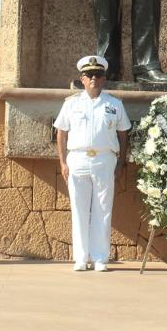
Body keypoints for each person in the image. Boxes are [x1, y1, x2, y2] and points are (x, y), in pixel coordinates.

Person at [53, 55, 131, 272]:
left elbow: (124, 134)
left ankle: (99, 258)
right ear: (82, 79)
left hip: (105, 160)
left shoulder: (114, 104)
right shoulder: (71, 104)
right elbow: (61, 133)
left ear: (104, 79)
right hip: (77, 158)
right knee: (79, 209)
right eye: (89, 75)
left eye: (98, 74)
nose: (93, 78)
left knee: (103, 210)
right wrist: (62, 162)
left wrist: (120, 163)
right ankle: (80, 257)